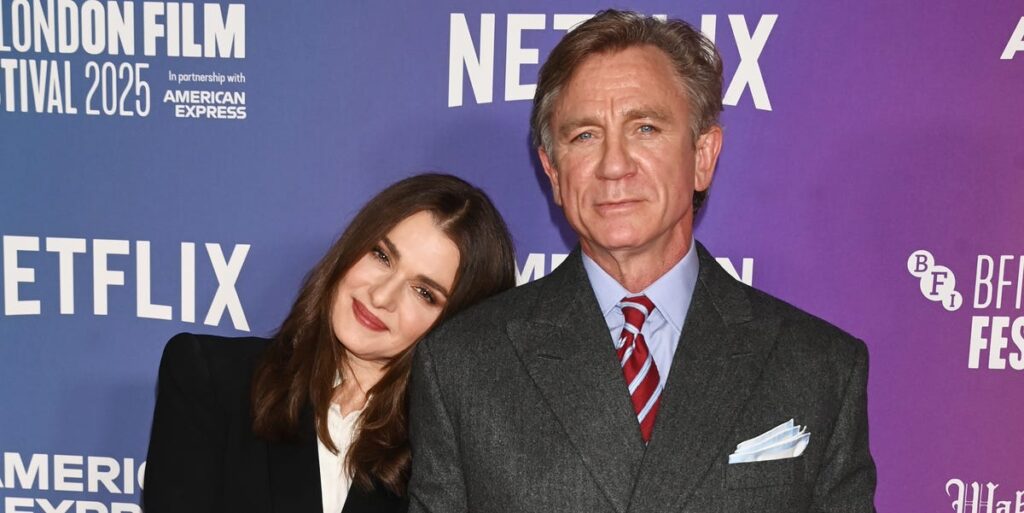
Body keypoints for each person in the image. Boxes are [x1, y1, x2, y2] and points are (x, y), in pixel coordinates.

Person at [408, 10, 877, 513]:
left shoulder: (819, 367)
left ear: (703, 156)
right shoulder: (463, 366)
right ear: (553, 173)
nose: (614, 165)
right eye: (584, 136)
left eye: (645, 128)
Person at [142, 173, 517, 513]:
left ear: (457, 323)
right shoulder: (212, 378)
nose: (381, 296)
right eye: (381, 256)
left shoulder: (450, 453)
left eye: (424, 292)